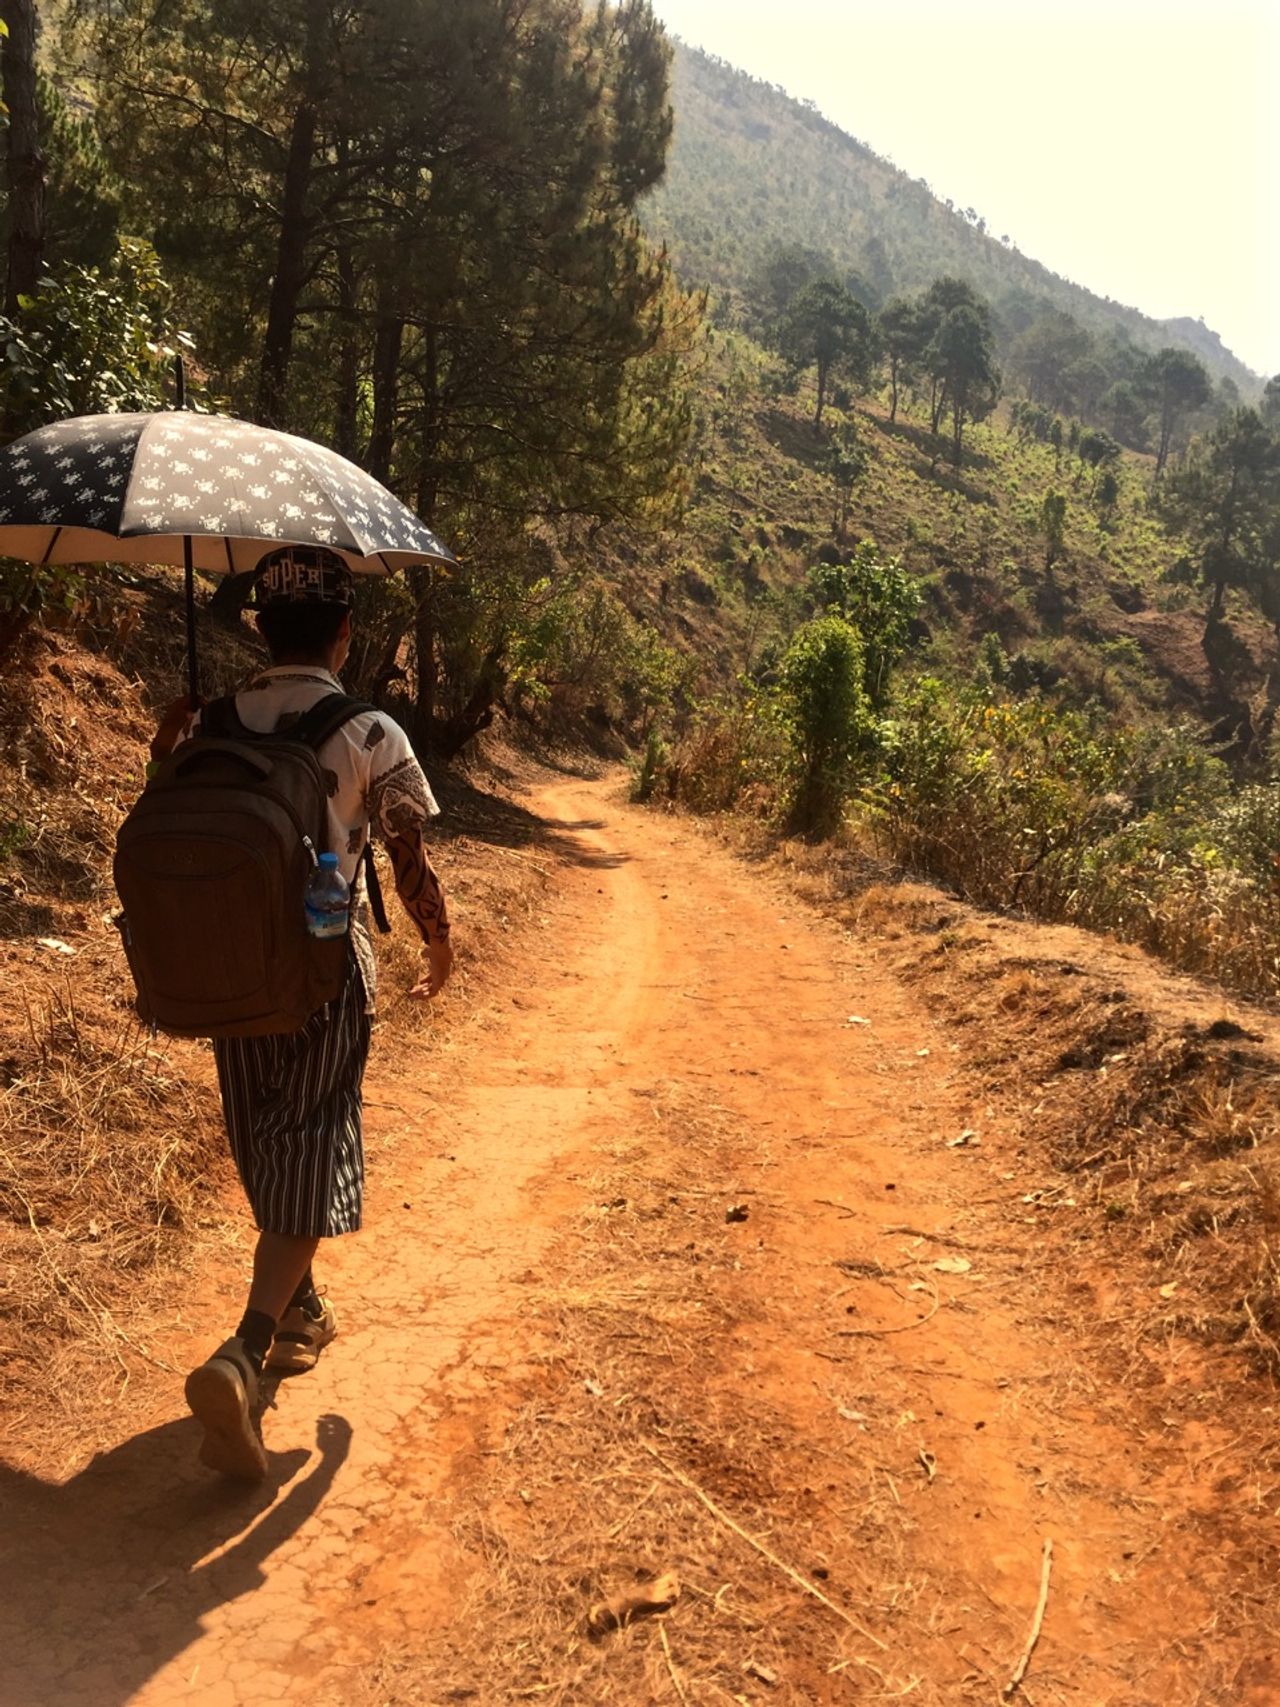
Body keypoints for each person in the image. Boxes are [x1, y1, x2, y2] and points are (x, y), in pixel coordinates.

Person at [149, 545, 453, 1479]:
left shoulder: (210, 718)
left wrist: (171, 745)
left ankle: (298, 1314)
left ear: (259, 628)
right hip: (324, 978)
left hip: (227, 976)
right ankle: (242, 1351)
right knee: (315, 1148)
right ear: (345, 631)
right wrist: (439, 940)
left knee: (265, 1141)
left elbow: (170, 832)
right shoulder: (367, 732)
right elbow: (403, 856)